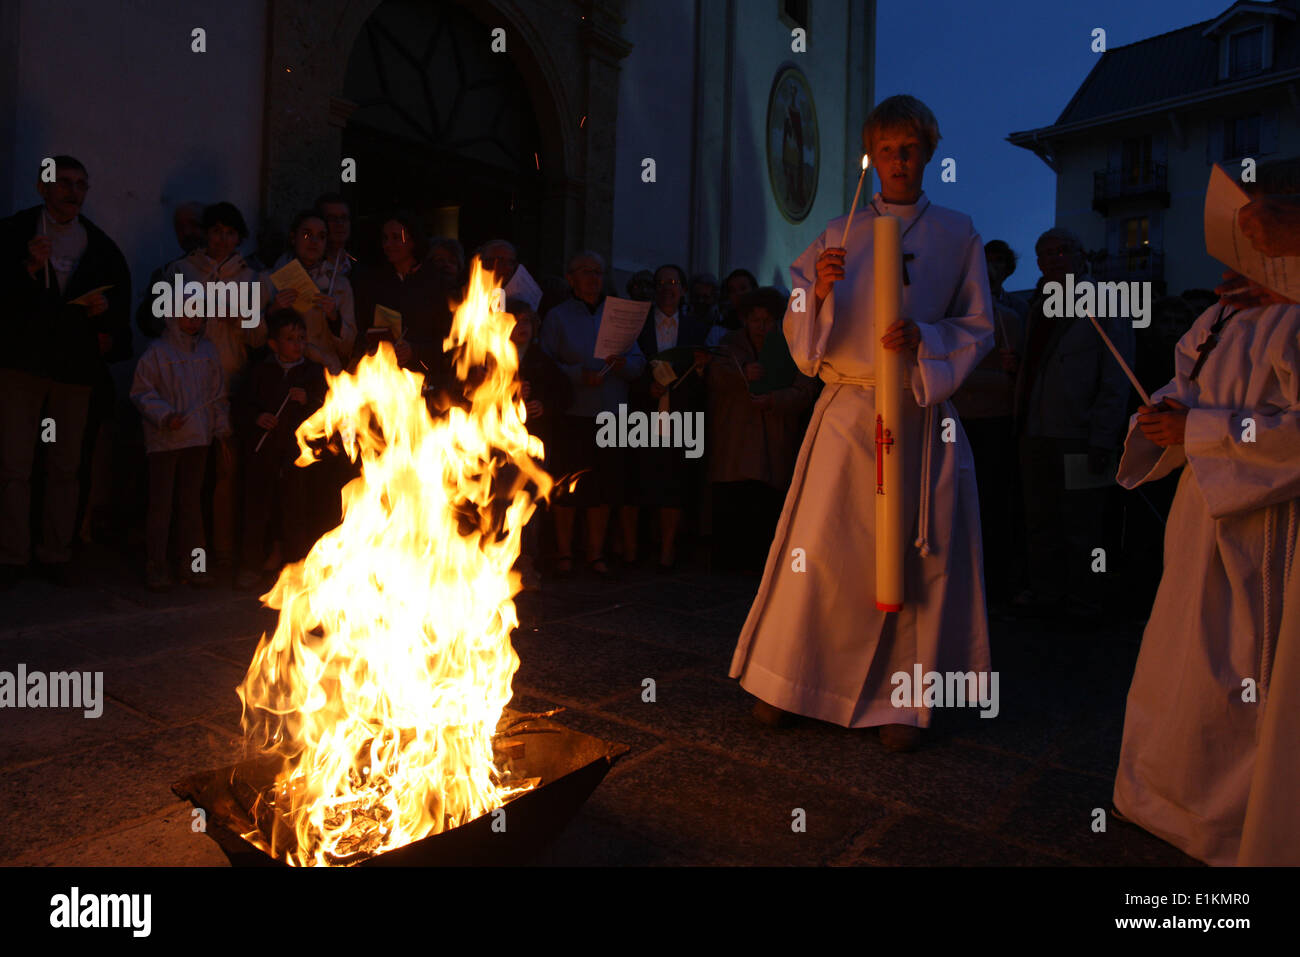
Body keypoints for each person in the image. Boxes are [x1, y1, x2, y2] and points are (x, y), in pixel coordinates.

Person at [729, 95, 994, 751]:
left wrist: (926, 336)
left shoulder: (958, 234)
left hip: (918, 407)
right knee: (819, 546)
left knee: (914, 554)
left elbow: (978, 326)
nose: (897, 163)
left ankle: (900, 699)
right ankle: (791, 679)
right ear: (870, 157)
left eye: (909, 150)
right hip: (849, 414)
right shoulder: (836, 231)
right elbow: (798, 330)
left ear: (928, 152)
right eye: (886, 151)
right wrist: (816, 290)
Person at [1113, 162, 1300, 866]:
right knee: (1182, 662)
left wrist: (1199, 432)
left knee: (1241, 670)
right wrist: (1164, 414)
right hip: (1202, 515)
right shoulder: (1219, 314)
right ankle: (1161, 797)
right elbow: (1183, 380)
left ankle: (1230, 825)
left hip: (1262, 524)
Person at [0, 155, 131, 586]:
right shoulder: (15, 233)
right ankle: (12, 554)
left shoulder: (101, 248)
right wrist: (27, 271)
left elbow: (117, 320)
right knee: (14, 465)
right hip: (22, 368)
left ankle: (56, 551)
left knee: (65, 466)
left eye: (81, 184)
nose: (72, 191)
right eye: (64, 183)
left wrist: (106, 316)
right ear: (43, 187)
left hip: (74, 374)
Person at [1012, 228, 1134, 618]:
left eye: (1061, 251)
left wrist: (1103, 436)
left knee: (1084, 525)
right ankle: (1048, 594)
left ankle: (1085, 600)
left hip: (1081, 436)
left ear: (1080, 255)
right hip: (1036, 433)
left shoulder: (1104, 301)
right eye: (1044, 254)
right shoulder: (1036, 307)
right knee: (1040, 520)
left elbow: (1117, 374)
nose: (1053, 259)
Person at [169, 201, 267, 580]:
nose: (222, 239)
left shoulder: (252, 279)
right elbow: (165, 323)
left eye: (230, 232)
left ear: (239, 237)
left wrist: (240, 316)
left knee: (226, 475)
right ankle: (190, 557)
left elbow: (259, 336)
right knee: (189, 476)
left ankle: (223, 554)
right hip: (187, 386)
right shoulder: (182, 271)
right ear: (205, 234)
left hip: (229, 382)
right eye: (215, 231)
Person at [540, 250, 646, 577]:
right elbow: (545, 364)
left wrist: (626, 363)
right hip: (573, 412)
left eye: (598, 272)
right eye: (584, 271)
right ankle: (564, 553)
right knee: (567, 483)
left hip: (612, 413)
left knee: (605, 485)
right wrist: (576, 374)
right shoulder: (557, 316)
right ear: (571, 278)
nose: (592, 278)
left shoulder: (619, 316)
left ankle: (596, 553)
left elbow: (641, 362)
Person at [707, 286, 818, 573]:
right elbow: (714, 376)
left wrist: (774, 400)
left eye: (768, 320)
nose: (761, 327)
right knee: (734, 501)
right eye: (755, 320)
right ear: (744, 319)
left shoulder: (792, 346)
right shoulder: (729, 344)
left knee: (766, 505)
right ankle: (728, 561)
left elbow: (805, 391)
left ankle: (764, 564)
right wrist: (741, 373)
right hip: (735, 439)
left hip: (774, 436)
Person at [130, 308, 229, 590]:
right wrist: (164, 415)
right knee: (161, 505)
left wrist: (220, 429)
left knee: (192, 505)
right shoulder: (157, 352)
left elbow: (218, 394)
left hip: (198, 439)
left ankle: (194, 566)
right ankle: (157, 567)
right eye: (187, 313)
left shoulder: (208, 350)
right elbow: (141, 391)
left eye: (199, 314)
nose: (194, 319)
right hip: (165, 441)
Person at [950, 242, 1025, 608]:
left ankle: (992, 588)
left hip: (992, 421)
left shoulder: (1012, 315)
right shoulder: (954, 314)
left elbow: (1017, 376)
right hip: (958, 419)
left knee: (991, 506)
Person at [624, 264, 711, 571]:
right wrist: (643, 387)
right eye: (661, 282)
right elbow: (625, 363)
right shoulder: (637, 325)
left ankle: (667, 551)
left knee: (674, 482)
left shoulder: (698, 328)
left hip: (682, 412)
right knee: (636, 479)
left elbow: (706, 380)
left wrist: (700, 367)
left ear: (683, 289)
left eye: (674, 281)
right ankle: (631, 550)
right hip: (640, 410)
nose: (667, 287)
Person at [234, 312, 327, 590]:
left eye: (301, 338)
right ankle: (251, 565)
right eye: (289, 339)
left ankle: (295, 569)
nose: (297, 344)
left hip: (296, 455)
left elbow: (329, 409)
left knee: (295, 512)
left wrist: (309, 399)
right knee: (257, 510)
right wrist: (257, 417)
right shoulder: (260, 371)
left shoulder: (312, 372)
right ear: (273, 344)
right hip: (263, 454)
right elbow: (241, 406)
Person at [508, 298, 572, 589]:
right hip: (497, 441)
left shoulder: (542, 360)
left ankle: (527, 562)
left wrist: (543, 406)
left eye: (527, 322)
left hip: (532, 441)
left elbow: (564, 395)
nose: (522, 327)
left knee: (527, 505)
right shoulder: (489, 355)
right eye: (516, 320)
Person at [352, 212, 452, 391]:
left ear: (413, 240)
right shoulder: (373, 283)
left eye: (397, 238)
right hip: (383, 380)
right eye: (385, 238)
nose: (389, 244)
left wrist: (415, 350)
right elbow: (361, 330)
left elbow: (451, 339)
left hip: (425, 382)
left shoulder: (437, 283)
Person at [265, 210, 356, 375]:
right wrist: (274, 309)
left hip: (326, 373)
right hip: (282, 371)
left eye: (321, 236)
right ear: (293, 237)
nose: (314, 241)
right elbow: (252, 338)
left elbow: (348, 346)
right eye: (307, 235)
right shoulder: (268, 279)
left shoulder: (340, 285)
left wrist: (334, 319)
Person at [136, 201, 205, 338]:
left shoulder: (236, 269)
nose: (186, 232)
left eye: (194, 224)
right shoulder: (166, 274)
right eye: (180, 227)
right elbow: (151, 326)